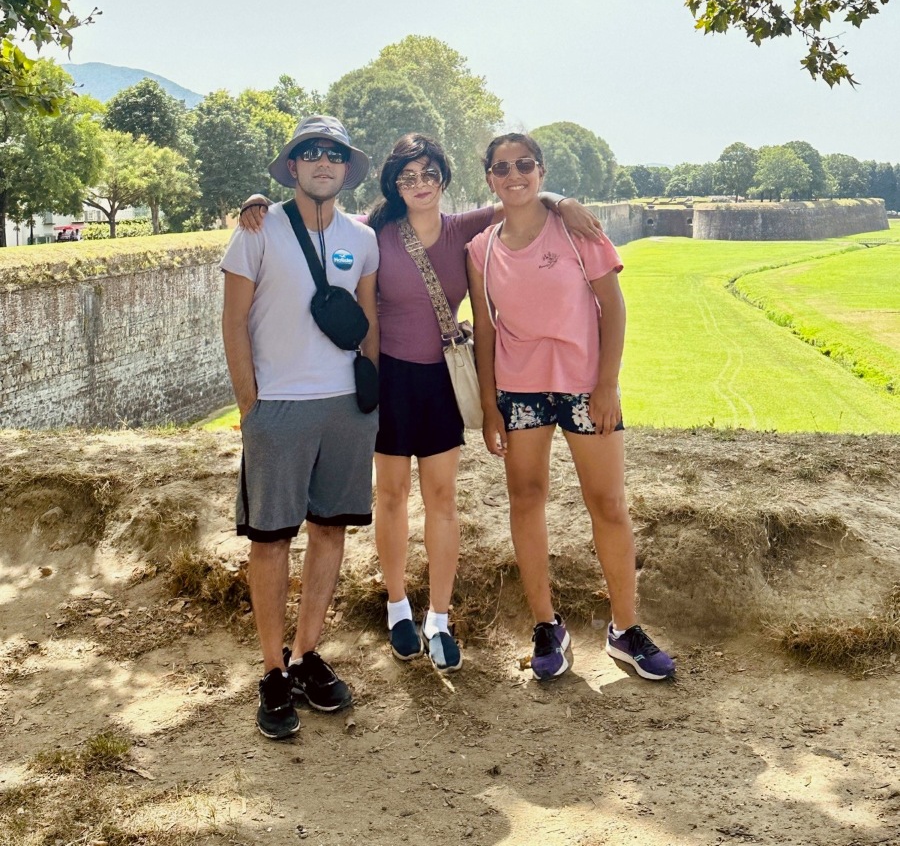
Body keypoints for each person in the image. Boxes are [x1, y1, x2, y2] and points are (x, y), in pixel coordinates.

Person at [239, 132, 601, 675]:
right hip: (388, 379)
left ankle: (438, 615)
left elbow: (518, 198)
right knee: (391, 494)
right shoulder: (373, 230)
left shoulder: (462, 229)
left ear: (444, 179)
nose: (420, 184)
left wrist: (562, 202)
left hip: (440, 381)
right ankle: (397, 607)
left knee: (441, 498)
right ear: (394, 183)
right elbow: (315, 221)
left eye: (429, 174)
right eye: (408, 176)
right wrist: (258, 204)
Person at [466, 132, 675, 683]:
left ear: (541, 169)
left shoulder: (577, 228)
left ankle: (624, 629)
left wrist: (607, 384)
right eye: (503, 167)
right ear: (489, 177)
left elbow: (612, 306)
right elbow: (484, 330)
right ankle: (546, 625)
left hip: (585, 386)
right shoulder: (480, 249)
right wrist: (490, 406)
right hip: (520, 390)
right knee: (526, 499)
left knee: (606, 503)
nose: (515, 175)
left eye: (525, 164)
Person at [221, 115, 380, 739]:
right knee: (270, 539)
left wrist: (372, 391)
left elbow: (367, 320)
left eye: (334, 154)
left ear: (346, 168)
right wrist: (248, 402)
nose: (323, 163)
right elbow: (234, 321)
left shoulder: (361, 238)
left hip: (344, 405)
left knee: (331, 531)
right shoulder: (257, 230)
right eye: (310, 153)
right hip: (278, 406)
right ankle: (271, 671)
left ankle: (307, 652)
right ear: (293, 167)